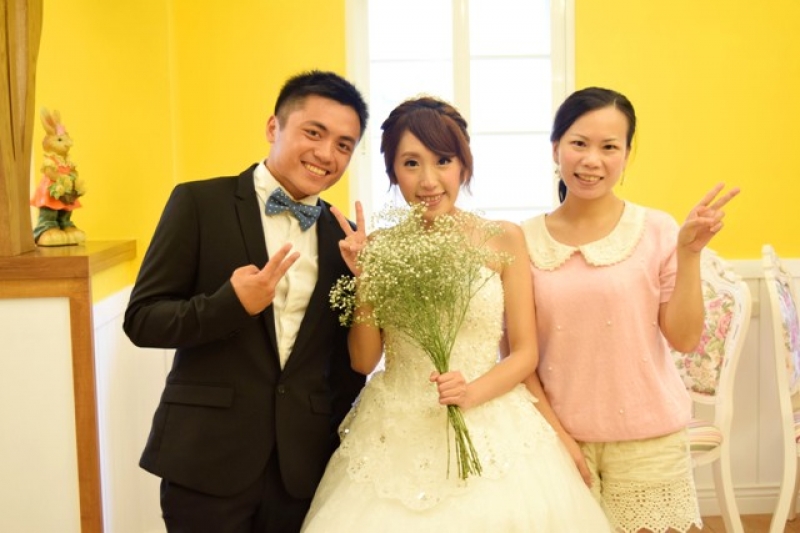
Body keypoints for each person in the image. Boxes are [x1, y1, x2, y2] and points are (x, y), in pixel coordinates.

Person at [300, 96, 610, 532]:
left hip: (491, 418)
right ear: (393, 172)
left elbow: (524, 353)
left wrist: (471, 393)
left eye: (443, 161)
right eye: (411, 163)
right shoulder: (381, 246)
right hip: (396, 428)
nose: (428, 180)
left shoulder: (502, 238)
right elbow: (363, 362)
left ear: (464, 166)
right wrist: (365, 277)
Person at [123, 70, 369, 533]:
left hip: (303, 471)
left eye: (343, 145)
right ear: (274, 127)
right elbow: (142, 319)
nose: (326, 154)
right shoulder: (199, 203)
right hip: (207, 462)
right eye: (313, 133)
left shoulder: (346, 239)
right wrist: (229, 304)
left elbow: (342, 365)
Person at [518, 86, 740, 532]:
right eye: (579, 143)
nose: (592, 160)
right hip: (555, 440)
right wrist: (560, 440)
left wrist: (689, 254)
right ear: (555, 148)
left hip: (648, 440)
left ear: (627, 155)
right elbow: (520, 360)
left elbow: (684, 338)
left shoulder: (656, 228)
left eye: (609, 147)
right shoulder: (522, 240)